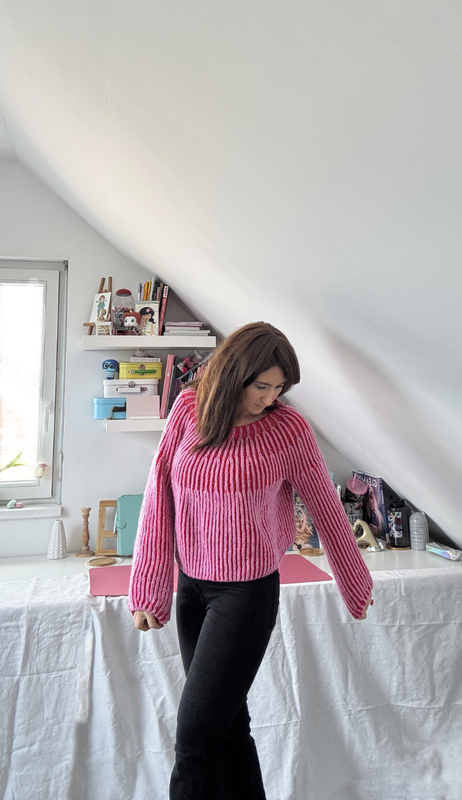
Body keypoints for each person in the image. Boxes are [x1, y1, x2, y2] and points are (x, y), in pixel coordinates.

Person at [128, 321, 373, 800]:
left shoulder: (288, 429)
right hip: (191, 588)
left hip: (246, 595)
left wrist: (353, 580)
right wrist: (148, 588)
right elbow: (159, 495)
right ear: (235, 373)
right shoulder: (188, 410)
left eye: (279, 388)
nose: (270, 398)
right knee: (226, 730)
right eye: (262, 386)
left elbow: (324, 504)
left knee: (194, 741)